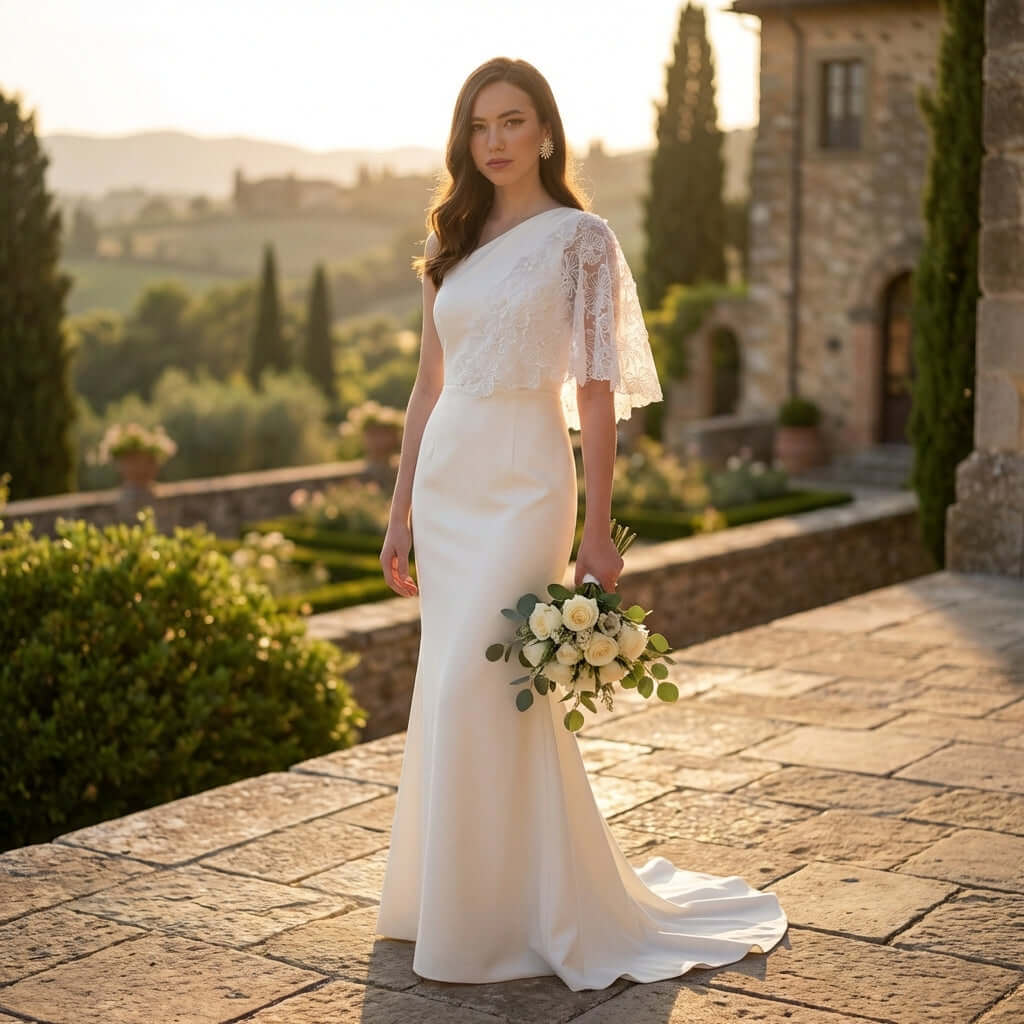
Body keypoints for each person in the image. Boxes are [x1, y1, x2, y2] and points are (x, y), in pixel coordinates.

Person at [375, 56, 788, 991]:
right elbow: (425, 388)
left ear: (547, 132)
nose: (495, 142)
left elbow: (595, 393)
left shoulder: (582, 240)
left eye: (513, 122)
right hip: (448, 487)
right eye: (480, 127)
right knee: (447, 690)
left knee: (482, 690)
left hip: (525, 480)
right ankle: (457, 903)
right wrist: (398, 513)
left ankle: (515, 915)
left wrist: (599, 528)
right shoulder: (455, 240)